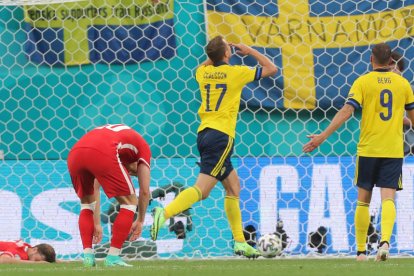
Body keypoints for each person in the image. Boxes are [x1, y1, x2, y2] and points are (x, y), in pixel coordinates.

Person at [150, 35, 277, 258]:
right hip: (221, 137)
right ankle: (164, 213)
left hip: (204, 133)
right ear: (227, 54)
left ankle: (240, 242)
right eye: (228, 49)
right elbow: (271, 68)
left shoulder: (203, 73)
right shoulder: (236, 73)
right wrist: (249, 50)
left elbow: (205, 64)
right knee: (203, 190)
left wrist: (217, 52)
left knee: (233, 187)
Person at [303, 43, 414, 261]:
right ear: (392, 61)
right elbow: (412, 120)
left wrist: (322, 136)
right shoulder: (403, 84)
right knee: (388, 198)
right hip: (392, 149)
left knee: (363, 200)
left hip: (368, 149)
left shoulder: (363, 81)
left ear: (372, 60)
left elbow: (347, 111)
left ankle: (361, 252)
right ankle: (385, 242)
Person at [67, 124, 151, 267]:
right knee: (130, 202)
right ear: (137, 163)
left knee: (86, 204)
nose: (131, 174)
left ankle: (87, 257)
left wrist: (97, 223)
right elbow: (144, 191)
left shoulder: (119, 143)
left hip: (75, 152)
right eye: (134, 173)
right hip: (102, 151)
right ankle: (112, 257)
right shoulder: (144, 150)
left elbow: (95, 187)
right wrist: (140, 220)